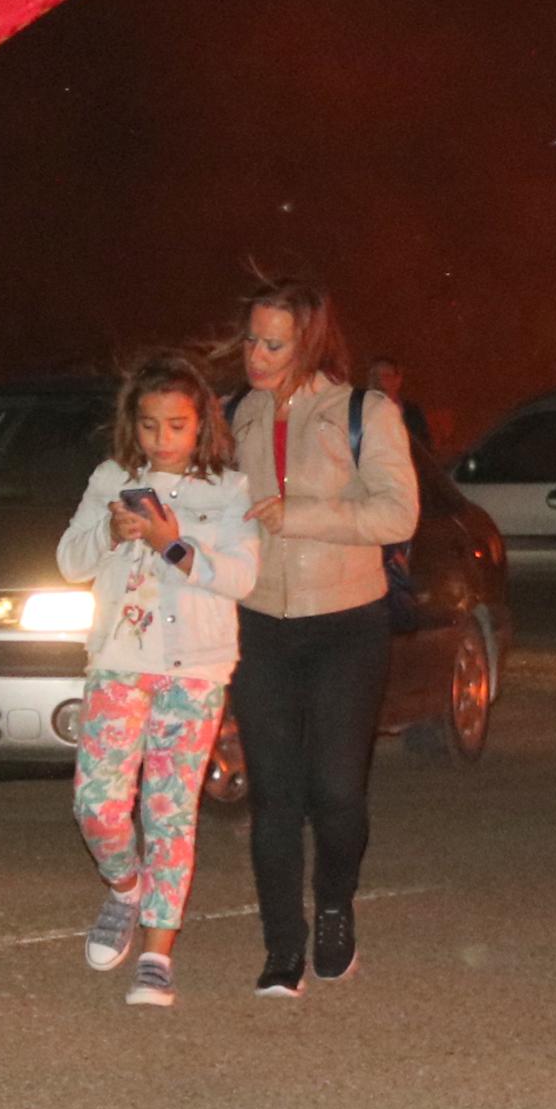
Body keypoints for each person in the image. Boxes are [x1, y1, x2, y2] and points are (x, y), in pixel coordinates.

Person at [228, 280, 420, 998]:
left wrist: (302, 512)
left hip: (346, 621)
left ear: (308, 342)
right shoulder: (234, 415)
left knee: (336, 790)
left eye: (273, 342)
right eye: (251, 337)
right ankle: (283, 947)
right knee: (274, 795)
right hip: (258, 624)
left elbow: (398, 514)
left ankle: (335, 905)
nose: (256, 354)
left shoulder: (363, 411)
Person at [58, 352, 260, 1009]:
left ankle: (156, 954)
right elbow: (68, 563)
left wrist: (174, 544)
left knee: (171, 810)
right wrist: (112, 533)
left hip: (194, 666)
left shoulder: (228, 489)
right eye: (149, 425)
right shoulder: (111, 477)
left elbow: (241, 577)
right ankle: (125, 887)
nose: (162, 438)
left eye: (176, 424)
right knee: (97, 800)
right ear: (133, 426)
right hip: (120, 657)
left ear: (201, 424)